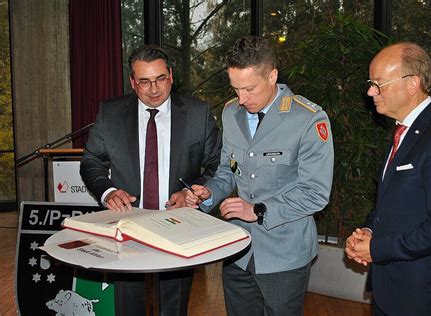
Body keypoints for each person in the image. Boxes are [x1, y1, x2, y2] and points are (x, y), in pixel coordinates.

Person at [184, 36, 334, 315]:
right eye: (236, 89)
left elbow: (315, 193)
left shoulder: (308, 119)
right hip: (238, 252)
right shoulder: (231, 113)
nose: (242, 99)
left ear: (273, 75)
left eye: (249, 89)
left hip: (284, 255)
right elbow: (228, 171)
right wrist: (209, 193)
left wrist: (259, 210)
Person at [80, 44, 222, 316]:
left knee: (174, 305)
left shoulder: (197, 113)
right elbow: (91, 161)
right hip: (127, 222)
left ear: (170, 75)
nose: (154, 89)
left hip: (179, 223)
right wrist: (108, 191)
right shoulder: (111, 113)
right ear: (132, 82)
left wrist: (192, 191)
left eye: (160, 79)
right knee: (127, 304)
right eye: (144, 82)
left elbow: (217, 164)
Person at [345, 42, 431, 315]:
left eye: (378, 83)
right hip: (388, 290)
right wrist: (368, 231)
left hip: (422, 298)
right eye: (371, 83)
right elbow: (391, 201)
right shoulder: (403, 132)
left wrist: (377, 249)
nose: (370, 92)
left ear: (412, 83)